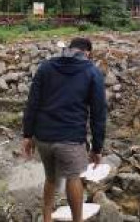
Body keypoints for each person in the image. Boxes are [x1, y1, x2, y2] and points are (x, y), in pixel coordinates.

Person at [21, 37, 107, 222]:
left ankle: (46, 218)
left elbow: (32, 103)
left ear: (69, 49)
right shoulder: (92, 71)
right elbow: (98, 114)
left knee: (51, 178)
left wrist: (27, 135)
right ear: (88, 52)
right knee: (73, 178)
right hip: (70, 138)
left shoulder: (46, 67)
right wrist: (97, 148)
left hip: (43, 137)